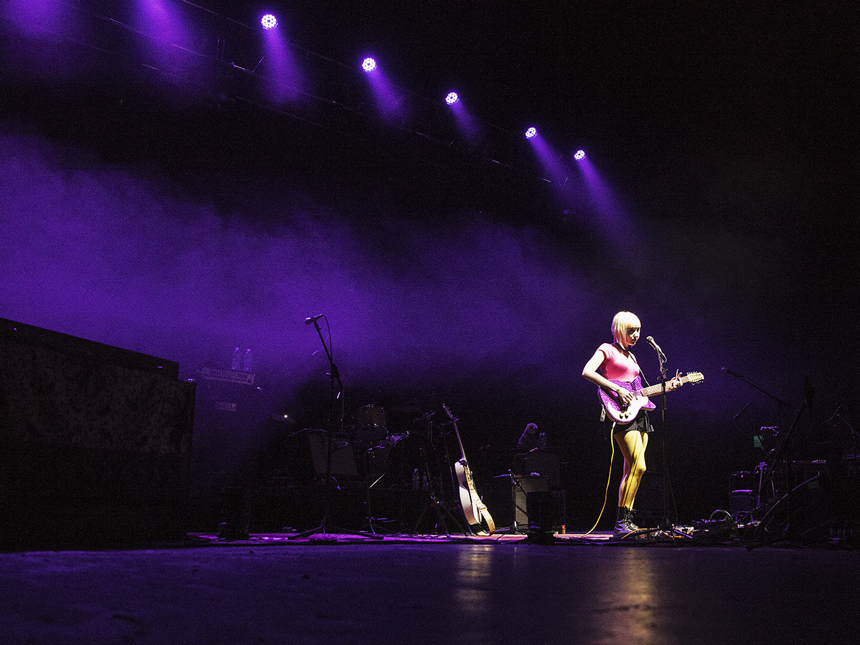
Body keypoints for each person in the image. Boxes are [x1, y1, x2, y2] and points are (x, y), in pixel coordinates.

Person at [582, 311, 682, 536]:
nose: (636, 335)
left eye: (638, 330)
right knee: (639, 465)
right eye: (631, 330)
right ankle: (621, 521)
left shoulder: (633, 357)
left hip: (638, 413)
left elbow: (639, 393)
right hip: (620, 412)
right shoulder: (606, 349)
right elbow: (587, 372)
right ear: (619, 330)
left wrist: (669, 386)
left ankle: (626, 520)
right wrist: (616, 388)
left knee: (633, 469)